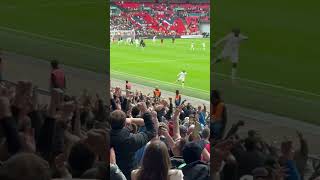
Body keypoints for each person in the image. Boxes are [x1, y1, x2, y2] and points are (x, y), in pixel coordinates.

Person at [110, 109, 156, 180]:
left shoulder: (102, 137)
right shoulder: (131, 139)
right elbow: (151, 132)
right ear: (124, 123)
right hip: (128, 176)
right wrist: (145, 114)